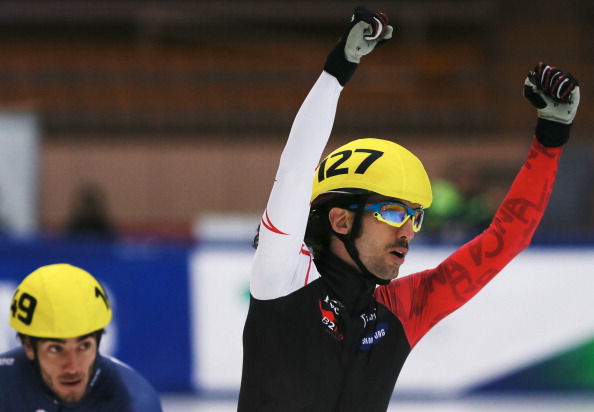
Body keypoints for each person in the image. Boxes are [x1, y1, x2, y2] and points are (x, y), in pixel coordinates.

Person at [239, 5, 580, 411]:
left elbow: (505, 241)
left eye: (415, 217)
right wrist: (337, 71)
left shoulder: (402, 309)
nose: (409, 232)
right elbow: (295, 173)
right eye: (394, 213)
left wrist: (550, 139)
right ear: (341, 219)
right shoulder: (285, 277)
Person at [0, 264, 163, 411]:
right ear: (28, 346)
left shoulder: (132, 401)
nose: (72, 367)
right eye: (56, 349)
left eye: (84, 346)